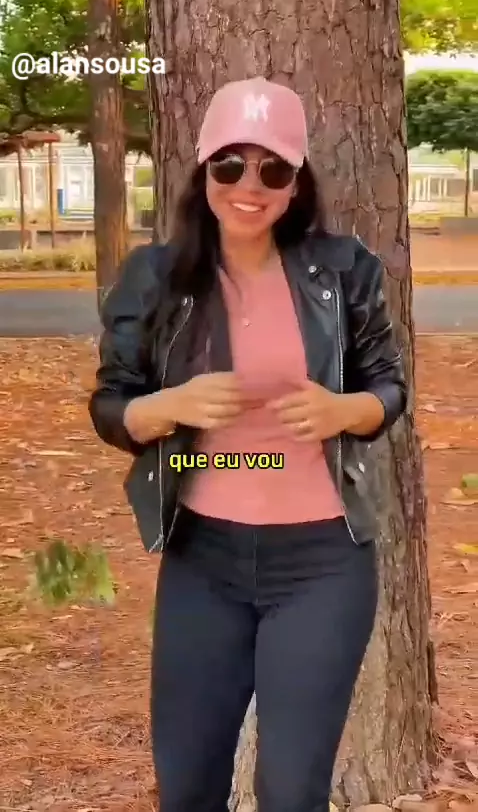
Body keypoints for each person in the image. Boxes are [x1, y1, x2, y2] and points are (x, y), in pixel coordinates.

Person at [88, 76, 407, 812]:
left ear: (297, 184)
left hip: (322, 562)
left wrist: (344, 409)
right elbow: (112, 405)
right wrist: (166, 406)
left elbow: (389, 389)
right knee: (188, 788)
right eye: (230, 165)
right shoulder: (157, 276)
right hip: (204, 559)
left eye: (274, 169)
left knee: (291, 793)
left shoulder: (344, 270)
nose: (249, 186)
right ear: (204, 172)